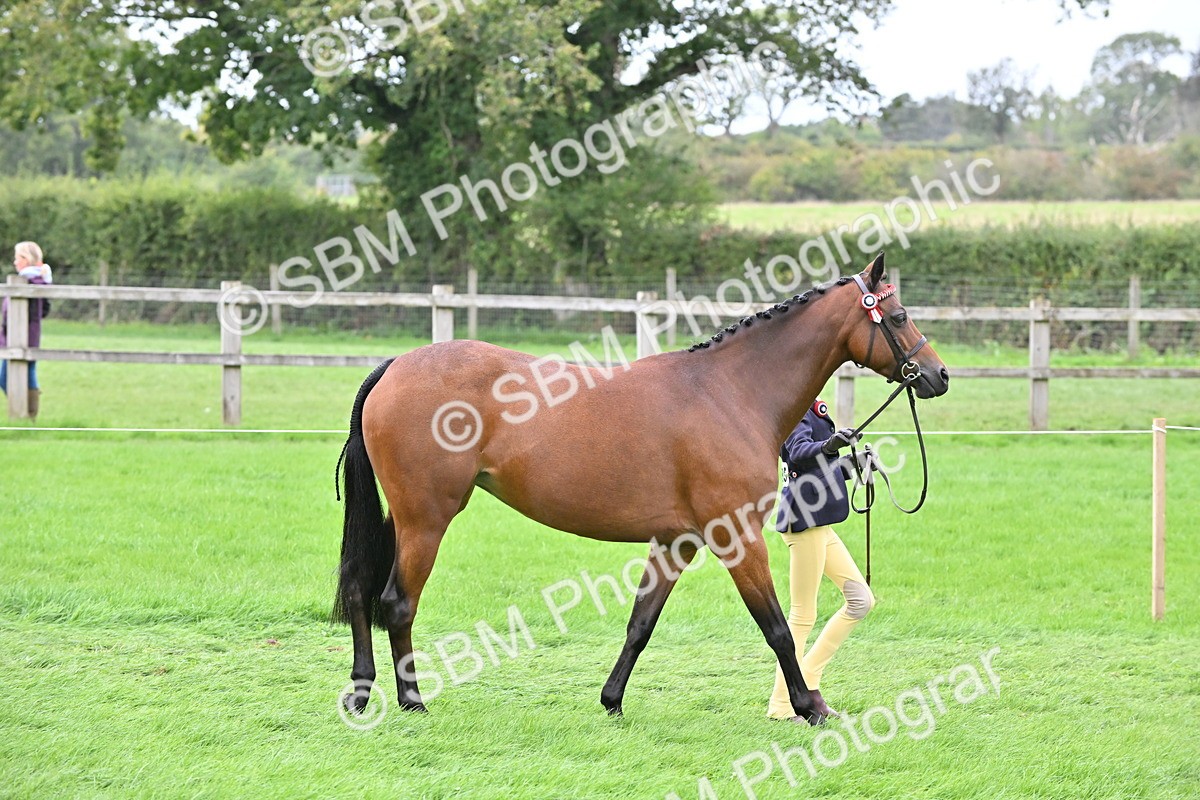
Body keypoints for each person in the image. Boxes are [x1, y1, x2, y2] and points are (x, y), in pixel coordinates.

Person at [767, 398, 875, 721]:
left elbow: (818, 469)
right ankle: (781, 706)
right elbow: (799, 452)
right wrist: (831, 443)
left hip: (820, 523)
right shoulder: (795, 406)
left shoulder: (811, 404)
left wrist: (855, 465)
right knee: (802, 615)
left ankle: (808, 680)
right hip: (804, 521)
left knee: (860, 600)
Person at [1, 241, 51, 419]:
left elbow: (42, 310)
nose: (15, 262)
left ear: (25, 259)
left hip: (24, 336)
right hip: (13, 334)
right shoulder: (27, 280)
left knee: (11, 374)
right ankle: (26, 412)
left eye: (17, 258)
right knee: (15, 373)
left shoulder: (30, 281)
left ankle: (27, 413)